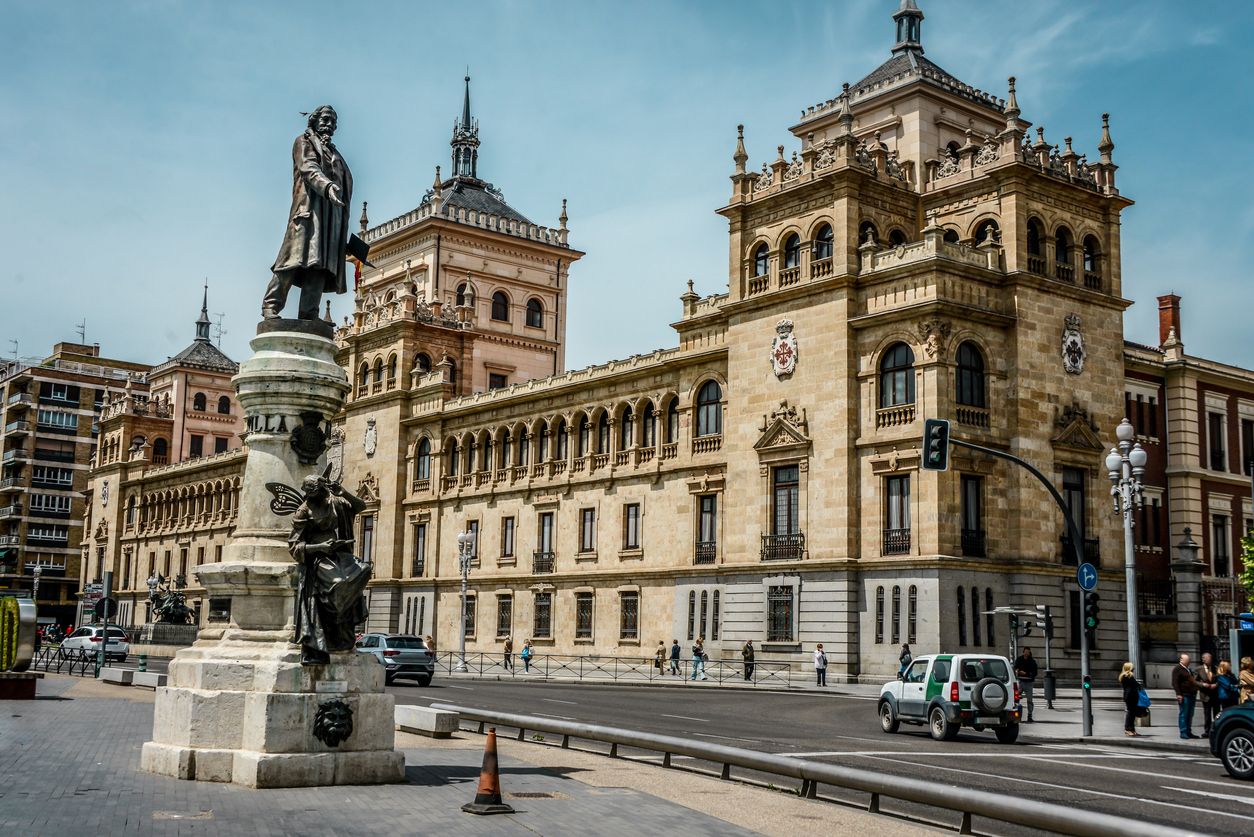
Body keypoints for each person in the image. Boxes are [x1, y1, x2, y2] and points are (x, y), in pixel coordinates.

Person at [263, 105, 355, 320]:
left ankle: (309, 314)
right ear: (313, 120)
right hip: (309, 212)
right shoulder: (303, 142)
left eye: (333, 121)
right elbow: (309, 169)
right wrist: (328, 186)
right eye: (325, 119)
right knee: (291, 260)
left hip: (332, 218)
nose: (329, 124)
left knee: (320, 267)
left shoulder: (336, 154)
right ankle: (271, 305)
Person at [287, 473, 371, 665]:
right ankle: (336, 617)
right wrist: (319, 548)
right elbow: (294, 546)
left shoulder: (335, 502)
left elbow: (361, 507)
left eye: (316, 491)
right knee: (338, 583)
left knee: (364, 569)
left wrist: (345, 493)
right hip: (318, 557)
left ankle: (340, 612)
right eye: (310, 493)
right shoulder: (303, 510)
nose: (312, 496)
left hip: (337, 554)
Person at [1171, 653, 1200, 739]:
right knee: (1184, 714)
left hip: (1191, 694)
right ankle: (1183, 732)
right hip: (1184, 695)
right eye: (1187, 660)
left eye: (1189, 660)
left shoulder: (1188, 669)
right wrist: (1178, 694)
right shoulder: (1177, 669)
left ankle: (1188, 731)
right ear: (1181, 660)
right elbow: (1175, 683)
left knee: (1190, 714)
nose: (1189, 661)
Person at [1195, 652, 1219, 736]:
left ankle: (1216, 729)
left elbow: (1219, 679)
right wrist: (1202, 685)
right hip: (1205, 695)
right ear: (1203, 659)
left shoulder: (1215, 668)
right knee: (1207, 714)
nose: (1210, 660)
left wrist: (1216, 685)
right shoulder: (1198, 669)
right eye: (1208, 658)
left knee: (1217, 714)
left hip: (1215, 695)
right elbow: (1194, 681)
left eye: (1211, 658)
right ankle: (1207, 731)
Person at [1013, 647, 1039, 722]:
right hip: (1021, 681)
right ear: (1023, 652)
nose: (1027, 653)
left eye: (1028, 652)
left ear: (1029, 653)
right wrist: (1017, 671)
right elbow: (1015, 667)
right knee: (1016, 698)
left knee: (1029, 700)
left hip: (1029, 682)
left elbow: (1034, 672)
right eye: (1025, 652)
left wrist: (1026, 673)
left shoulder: (1032, 661)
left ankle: (1029, 715)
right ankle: (1016, 714)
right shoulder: (1019, 659)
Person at [1119, 662, 1142, 737]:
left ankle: (1132, 729)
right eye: (1132, 667)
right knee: (1130, 714)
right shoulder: (1128, 676)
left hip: (1129, 696)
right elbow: (1136, 685)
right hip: (1130, 696)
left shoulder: (1123, 676)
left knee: (1132, 714)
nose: (1134, 669)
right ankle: (1128, 729)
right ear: (1129, 668)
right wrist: (1138, 685)